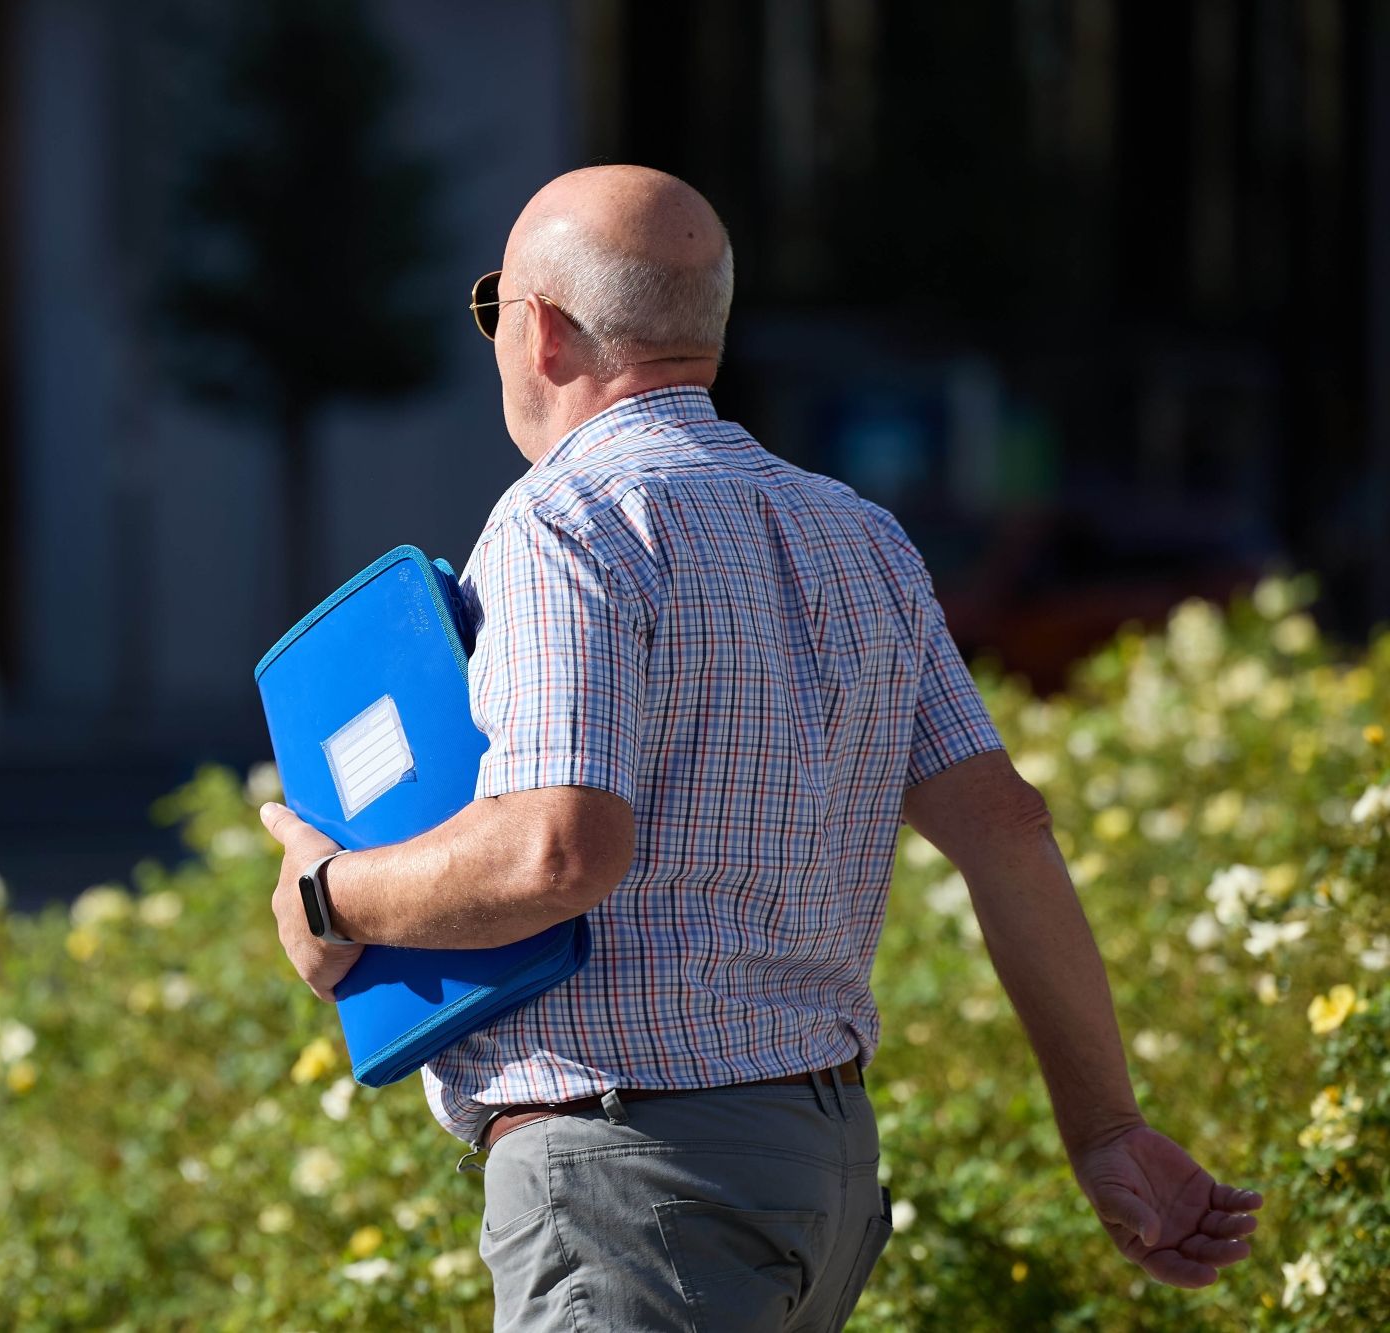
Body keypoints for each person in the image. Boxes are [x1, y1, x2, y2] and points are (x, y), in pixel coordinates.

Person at [257, 165, 1262, 1331]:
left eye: (494, 309)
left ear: (538, 330)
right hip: (820, 1168)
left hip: (634, 1181)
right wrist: (1104, 1128)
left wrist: (332, 897)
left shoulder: (561, 519)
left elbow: (556, 852)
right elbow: (1007, 832)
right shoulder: (859, 535)